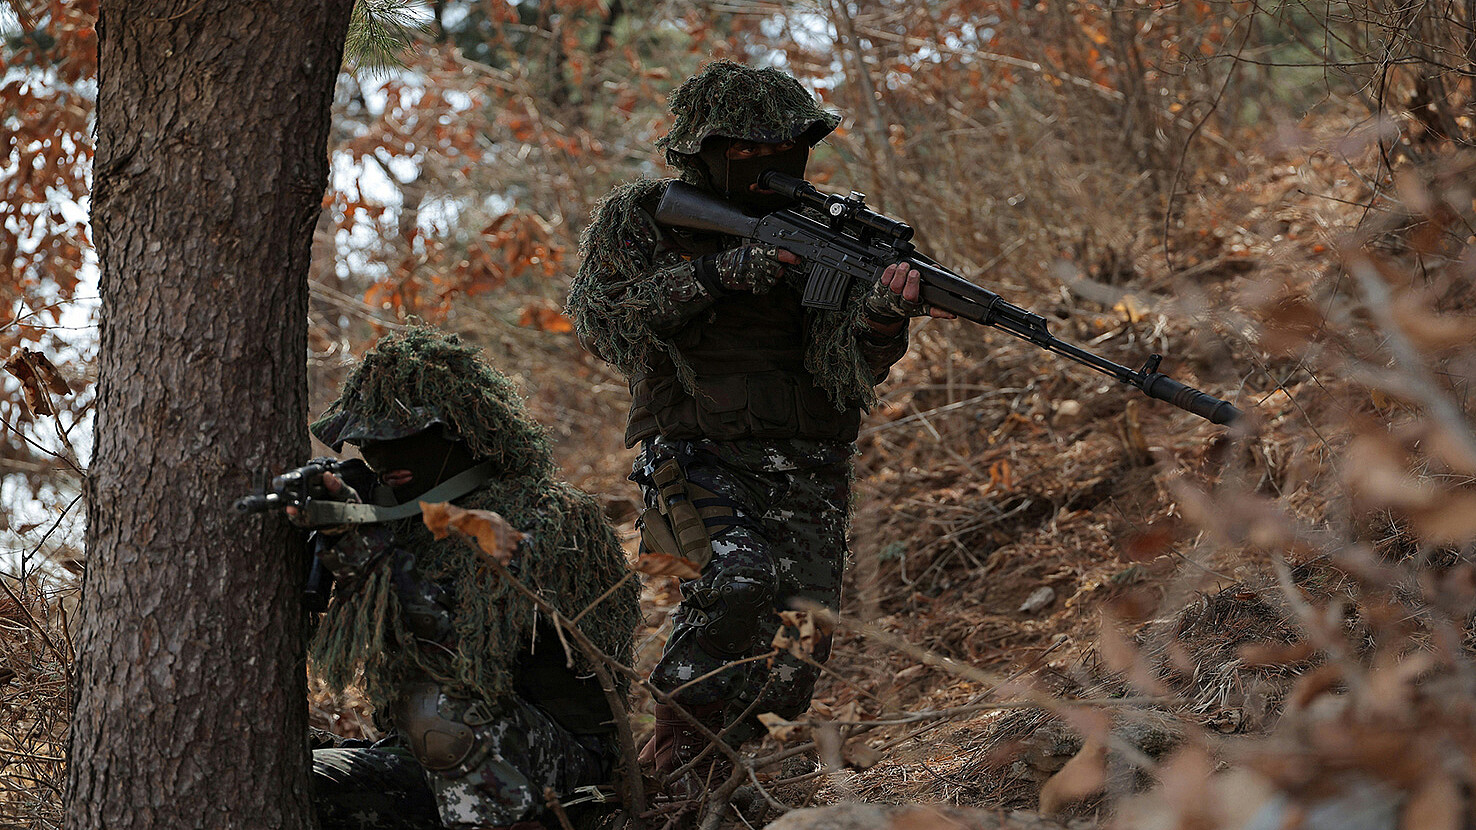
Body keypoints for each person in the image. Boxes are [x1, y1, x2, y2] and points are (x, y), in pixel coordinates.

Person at [566, 61, 947, 792]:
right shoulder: (646, 216)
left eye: (784, 150)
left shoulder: (828, 231)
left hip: (809, 458)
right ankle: (675, 748)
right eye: (744, 151)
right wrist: (720, 275)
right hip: (699, 448)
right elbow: (606, 322)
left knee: (803, 637)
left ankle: (737, 775)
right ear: (701, 151)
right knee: (740, 580)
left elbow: (848, 369)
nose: (769, 164)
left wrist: (883, 317)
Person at [297, 327, 641, 830]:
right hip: (430, 754)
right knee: (300, 779)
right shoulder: (401, 520)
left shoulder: (546, 516)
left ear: (465, 430)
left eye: (406, 437)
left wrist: (363, 546)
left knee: (439, 711)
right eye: (367, 441)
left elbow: (460, 658)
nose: (383, 457)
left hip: (558, 764)